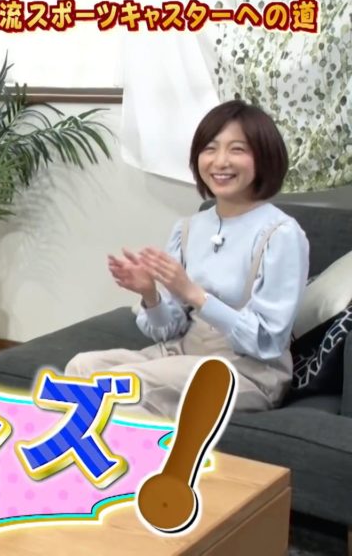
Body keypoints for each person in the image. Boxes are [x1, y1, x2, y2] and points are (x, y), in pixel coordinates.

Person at [64, 99, 310, 420]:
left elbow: (267, 341)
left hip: (246, 370)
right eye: (210, 149)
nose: (220, 161)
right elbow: (169, 330)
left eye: (237, 149)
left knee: (122, 387)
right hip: (180, 354)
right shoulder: (188, 229)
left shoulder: (281, 234)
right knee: (81, 367)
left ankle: (139, 453)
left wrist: (194, 294)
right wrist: (150, 295)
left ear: (264, 157)